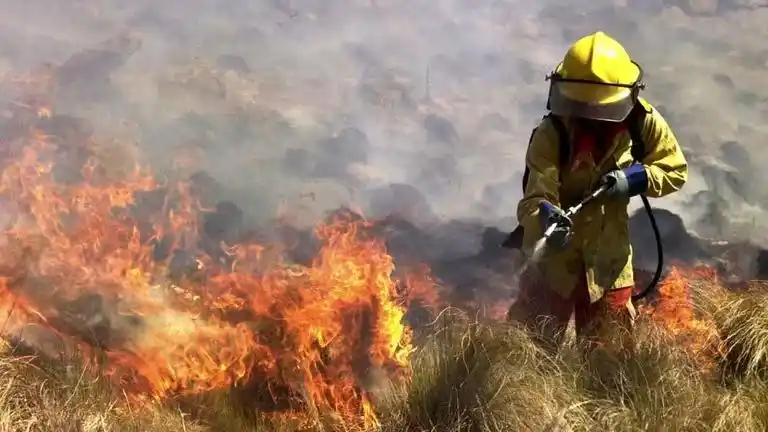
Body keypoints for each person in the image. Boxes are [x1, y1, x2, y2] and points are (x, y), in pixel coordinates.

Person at [506, 31, 688, 348]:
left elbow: (674, 170)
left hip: (608, 265)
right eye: (581, 107)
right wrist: (546, 218)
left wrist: (636, 179)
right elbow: (534, 199)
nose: (591, 117)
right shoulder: (552, 133)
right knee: (529, 353)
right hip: (553, 267)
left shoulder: (642, 122)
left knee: (608, 360)